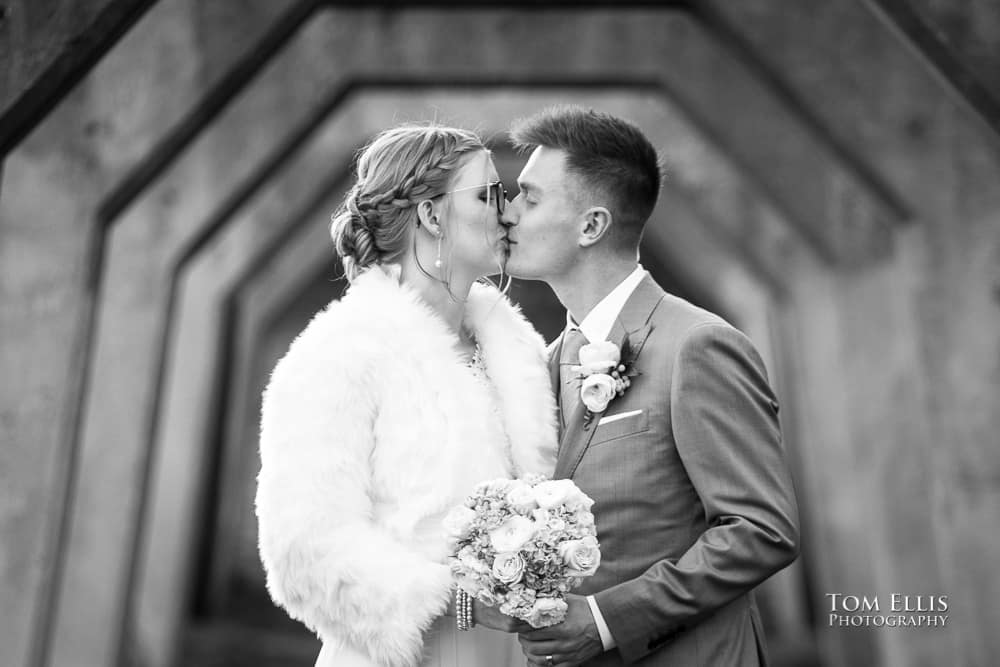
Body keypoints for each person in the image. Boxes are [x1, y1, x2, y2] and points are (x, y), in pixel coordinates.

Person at [501, 106, 801, 667]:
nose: (508, 215)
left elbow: (761, 530)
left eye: (530, 197)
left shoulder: (698, 346)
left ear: (591, 226)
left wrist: (606, 621)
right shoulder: (543, 363)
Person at [255, 123, 556, 667]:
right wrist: (452, 599)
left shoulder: (520, 353)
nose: (507, 209)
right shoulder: (341, 352)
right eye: (489, 193)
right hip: (405, 654)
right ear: (432, 215)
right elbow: (301, 547)